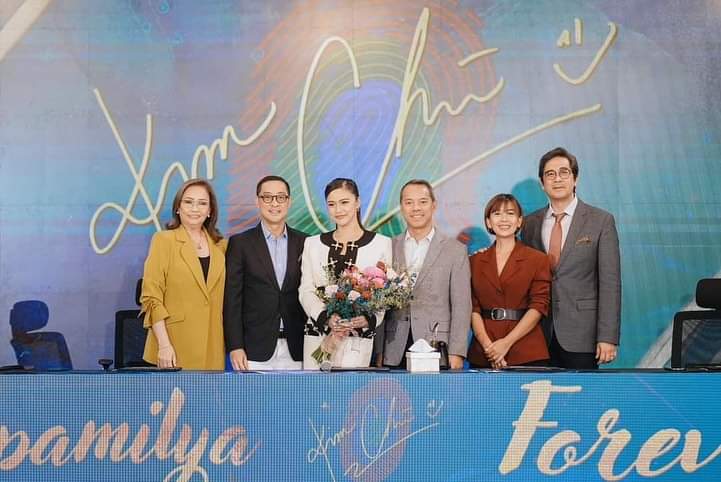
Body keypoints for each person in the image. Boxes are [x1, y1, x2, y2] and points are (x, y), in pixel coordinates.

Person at [521, 147, 621, 369]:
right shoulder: (529, 224)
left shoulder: (600, 221)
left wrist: (608, 337)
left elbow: (610, 284)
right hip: (538, 335)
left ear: (575, 178)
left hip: (582, 336)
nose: (557, 179)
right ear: (542, 183)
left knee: (582, 392)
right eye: (550, 174)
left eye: (564, 172)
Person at [299, 178, 392, 368]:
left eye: (344, 202)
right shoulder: (312, 244)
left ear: (357, 203)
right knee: (314, 387)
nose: (338, 210)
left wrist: (367, 319)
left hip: (357, 338)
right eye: (331, 204)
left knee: (351, 387)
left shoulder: (381, 243)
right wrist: (325, 318)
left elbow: (383, 294)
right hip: (318, 336)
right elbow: (305, 290)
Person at [382, 180, 471, 370]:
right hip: (394, 347)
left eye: (422, 202)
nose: (416, 208)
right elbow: (380, 304)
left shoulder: (455, 250)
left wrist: (457, 352)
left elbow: (462, 306)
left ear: (434, 205)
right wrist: (379, 352)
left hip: (437, 345)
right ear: (401, 207)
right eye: (409, 202)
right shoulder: (388, 247)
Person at [140, 178, 227, 369]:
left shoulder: (222, 246)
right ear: (178, 208)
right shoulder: (164, 240)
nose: (195, 208)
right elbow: (151, 297)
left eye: (202, 203)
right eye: (188, 202)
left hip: (213, 347)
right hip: (173, 347)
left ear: (210, 210)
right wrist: (164, 345)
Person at [223, 175, 307, 370]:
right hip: (253, 351)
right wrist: (235, 346)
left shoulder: (306, 242)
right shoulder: (240, 243)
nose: (274, 203)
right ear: (257, 201)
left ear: (289, 202)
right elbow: (232, 300)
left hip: (297, 348)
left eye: (280, 197)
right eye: (267, 197)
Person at [467, 194, 551, 368]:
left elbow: (538, 306)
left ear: (519, 221)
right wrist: (489, 348)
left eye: (510, 213)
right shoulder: (474, 261)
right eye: (497, 214)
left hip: (526, 351)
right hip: (483, 352)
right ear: (488, 222)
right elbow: (473, 308)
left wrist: (506, 343)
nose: (504, 219)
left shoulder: (538, 260)